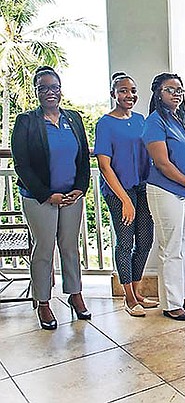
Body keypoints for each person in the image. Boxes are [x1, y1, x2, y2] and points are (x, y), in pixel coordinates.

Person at [11, 66, 91, 330]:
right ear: (36, 91)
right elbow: (21, 164)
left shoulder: (74, 119)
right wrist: (47, 195)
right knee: (44, 249)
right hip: (39, 199)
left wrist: (80, 188)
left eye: (53, 87)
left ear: (60, 90)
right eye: (43, 87)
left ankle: (75, 295)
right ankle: (43, 302)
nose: (49, 92)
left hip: (72, 197)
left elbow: (83, 159)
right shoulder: (27, 121)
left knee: (70, 247)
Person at [142, 72, 185, 321]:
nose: (176, 93)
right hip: (166, 190)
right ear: (158, 93)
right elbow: (162, 163)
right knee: (171, 247)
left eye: (179, 89)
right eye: (170, 89)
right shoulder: (155, 122)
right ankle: (171, 303)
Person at [94, 72, 157, 317]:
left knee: (145, 239)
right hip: (118, 191)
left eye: (131, 90)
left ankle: (138, 290)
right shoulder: (105, 123)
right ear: (113, 94)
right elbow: (104, 165)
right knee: (125, 241)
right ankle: (129, 298)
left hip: (142, 187)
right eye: (122, 90)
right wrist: (124, 199)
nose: (128, 95)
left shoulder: (141, 119)